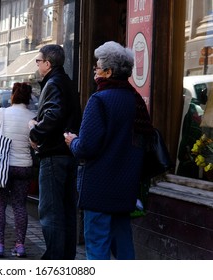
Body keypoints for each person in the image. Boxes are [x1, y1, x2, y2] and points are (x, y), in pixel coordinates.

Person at [64, 41, 154, 260]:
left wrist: (72, 141)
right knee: (124, 248)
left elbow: (86, 147)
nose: (95, 70)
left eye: (97, 66)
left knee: (97, 247)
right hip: (125, 187)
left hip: (99, 188)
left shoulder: (99, 100)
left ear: (109, 71)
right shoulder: (135, 100)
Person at [28, 44, 82, 260]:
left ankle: (54, 259)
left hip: (54, 154)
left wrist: (35, 132)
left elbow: (53, 115)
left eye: (38, 61)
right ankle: (65, 258)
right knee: (67, 210)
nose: (38, 64)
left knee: (50, 211)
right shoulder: (66, 82)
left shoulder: (53, 83)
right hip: (68, 154)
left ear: (48, 64)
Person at [0, 82, 36, 258]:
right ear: (29, 97)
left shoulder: (3, 113)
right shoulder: (33, 115)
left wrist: (3, 141)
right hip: (23, 166)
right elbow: (34, 142)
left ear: (13, 95)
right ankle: (20, 245)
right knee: (19, 206)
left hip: (2, 165)